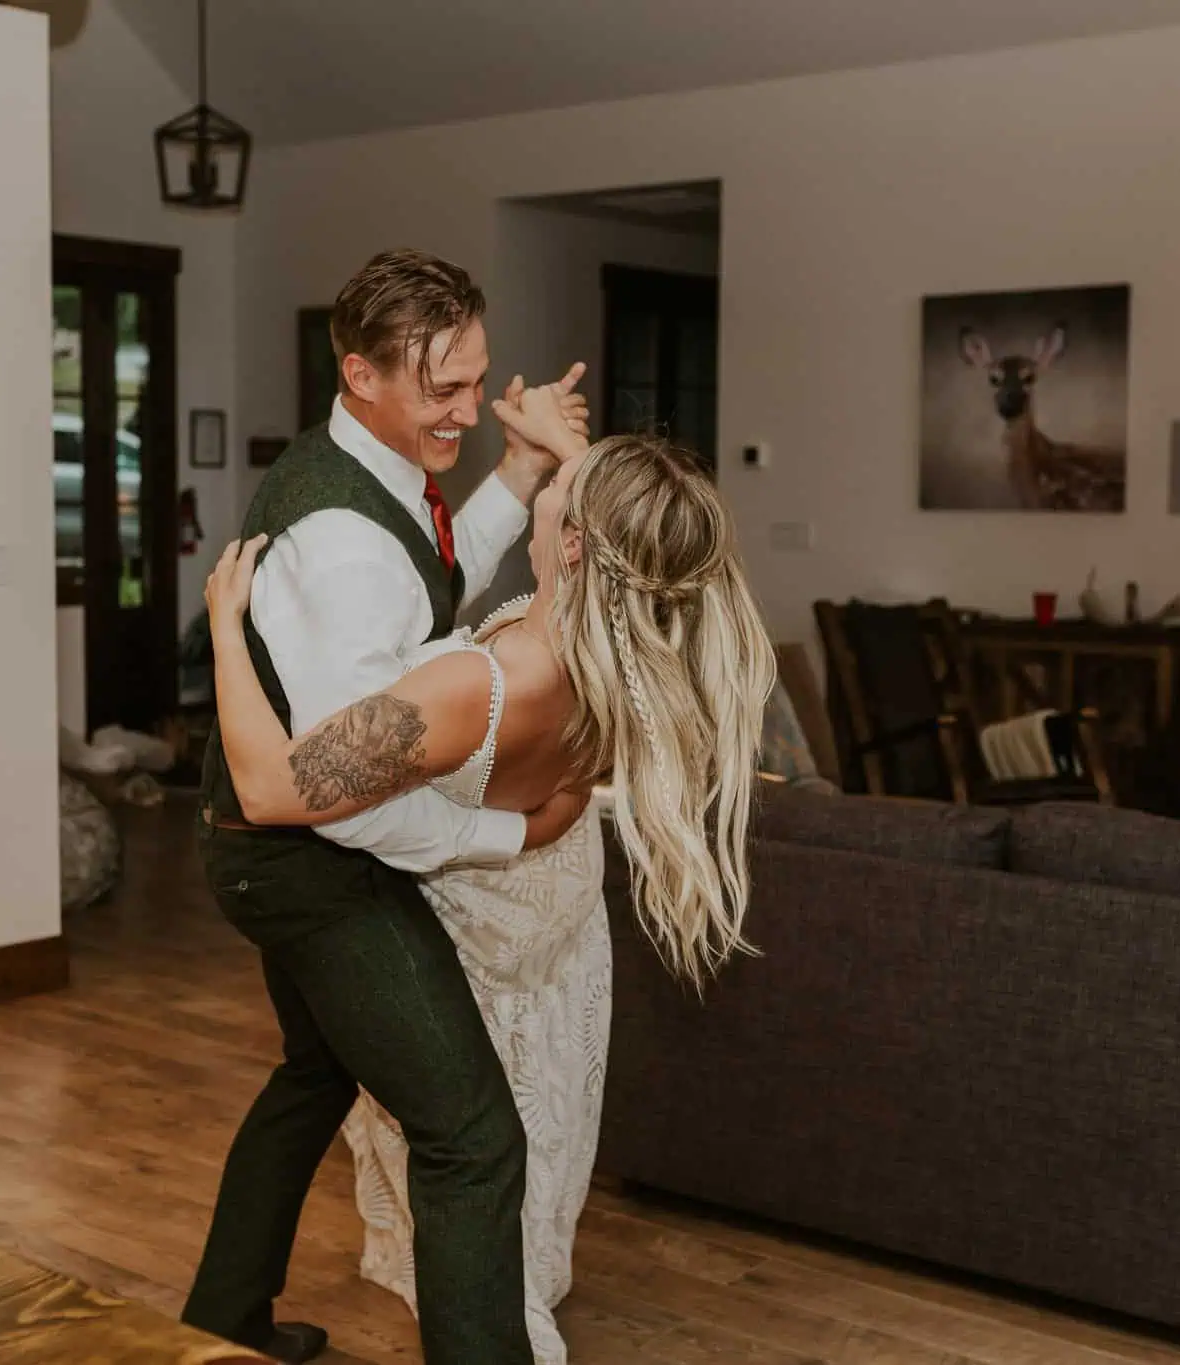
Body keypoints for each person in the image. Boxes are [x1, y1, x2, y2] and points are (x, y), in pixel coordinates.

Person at [202, 382, 777, 1364]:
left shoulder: (479, 686)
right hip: (550, 909)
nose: (549, 488)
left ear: (574, 547)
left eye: (560, 492)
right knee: (351, 1082)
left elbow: (268, 787)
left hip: (469, 907)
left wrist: (225, 628)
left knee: (470, 1145)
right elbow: (621, 512)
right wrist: (540, 448)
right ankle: (230, 1312)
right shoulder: (634, 652)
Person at [182, 248, 593, 1365]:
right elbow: (347, 805)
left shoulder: (369, 470)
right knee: (471, 1135)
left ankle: (222, 1321)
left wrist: (517, 469)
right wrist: (513, 833)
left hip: (276, 840)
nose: (465, 407)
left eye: (476, 379)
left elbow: (429, 594)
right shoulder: (342, 543)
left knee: (316, 1072)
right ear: (359, 373)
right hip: (307, 862)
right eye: (440, 388)